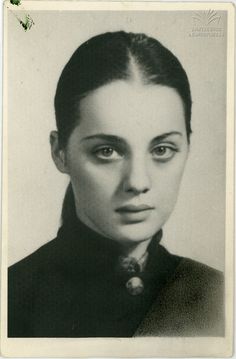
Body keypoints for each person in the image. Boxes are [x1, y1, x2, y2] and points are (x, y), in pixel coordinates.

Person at [8, 31, 224, 337]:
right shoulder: (12, 299)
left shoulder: (221, 299)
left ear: (188, 147)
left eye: (161, 150)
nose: (138, 182)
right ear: (60, 153)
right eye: (107, 151)